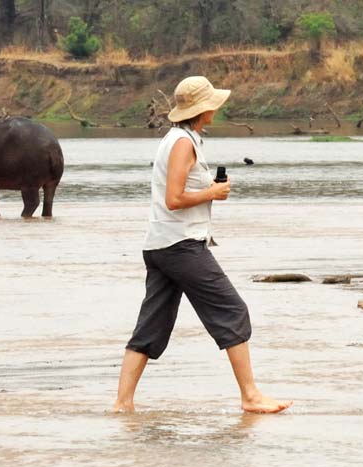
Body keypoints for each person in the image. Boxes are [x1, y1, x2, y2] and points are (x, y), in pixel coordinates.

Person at [112, 76, 291, 414]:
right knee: (233, 310)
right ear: (203, 110)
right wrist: (213, 192)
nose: (216, 109)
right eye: (213, 105)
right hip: (181, 246)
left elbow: (176, 193)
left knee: (151, 325)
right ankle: (250, 396)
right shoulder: (183, 143)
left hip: (161, 245)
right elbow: (174, 198)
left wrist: (210, 190)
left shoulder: (175, 139)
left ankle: (122, 404)